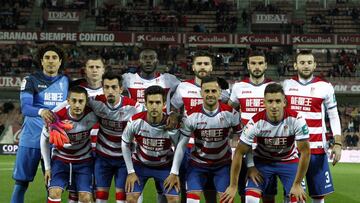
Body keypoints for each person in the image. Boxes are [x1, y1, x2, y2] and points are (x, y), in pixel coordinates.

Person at [221, 83, 311, 203]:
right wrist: (235, 183)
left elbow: (305, 152)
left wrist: (298, 183)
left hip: (288, 161)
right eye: (270, 101)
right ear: (264, 103)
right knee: (250, 198)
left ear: (284, 102)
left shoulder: (296, 120)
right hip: (263, 161)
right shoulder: (255, 122)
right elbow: (238, 153)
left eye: (278, 101)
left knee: (299, 200)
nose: (274, 106)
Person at [11, 44, 69, 203]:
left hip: (54, 143)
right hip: (30, 141)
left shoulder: (66, 81)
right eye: (47, 58)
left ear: (60, 61)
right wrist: (41, 111)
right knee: (21, 183)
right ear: (41, 61)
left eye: (54, 58)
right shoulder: (30, 80)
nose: (51, 61)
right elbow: (26, 107)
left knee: (52, 186)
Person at [122, 48, 181, 202]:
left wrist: (174, 113)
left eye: (151, 58)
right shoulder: (127, 79)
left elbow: (184, 96)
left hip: (163, 133)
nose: (148, 61)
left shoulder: (169, 80)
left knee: (164, 194)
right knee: (133, 195)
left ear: (157, 61)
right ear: (139, 61)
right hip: (138, 134)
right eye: (144, 58)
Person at [283, 50, 342, 203]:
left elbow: (334, 115)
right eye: (302, 62)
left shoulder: (325, 87)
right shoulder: (287, 85)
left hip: (317, 148)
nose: (306, 65)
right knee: (294, 196)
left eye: (309, 62)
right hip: (292, 150)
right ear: (296, 65)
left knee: (318, 196)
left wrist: (338, 143)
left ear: (315, 65)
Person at [171, 76, 241, 202]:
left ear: (220, 92)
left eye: (214, 91)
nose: (210, 94)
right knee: (191, 200)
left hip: (222, 165)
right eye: (206, 91)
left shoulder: (231, 114)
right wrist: (174, 172)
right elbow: (181, 145)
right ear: (201, 93)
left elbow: (243, 140)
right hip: (197, 165)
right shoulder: (191, 115)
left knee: (226, 200)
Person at [170, 51, 219, 203]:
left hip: (213, 146)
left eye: (206, 64)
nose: (202, 67)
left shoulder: (220, 89)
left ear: (211, 67)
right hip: (188, 146)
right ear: (193, 67)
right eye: (199, 64)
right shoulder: (183, 87)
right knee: (187, 187)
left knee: (211, 188)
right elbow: (173, 110)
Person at [89, 71, 144, 203]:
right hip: (103, 158)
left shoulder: (134, 107)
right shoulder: (95, 102)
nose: (110, 91)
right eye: (106, 87)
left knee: (122, 199)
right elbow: (70, 104)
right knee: (100, 198)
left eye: (114, 87)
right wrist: (51, 115)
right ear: (103, 88)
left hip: (124, 160)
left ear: (121, 89)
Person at [228, 50, 275, 203]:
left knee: (269, 194)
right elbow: (230, 111)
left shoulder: (273, 87)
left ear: (266, 65)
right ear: (248, 65)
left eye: (260, 63)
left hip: (267, 149)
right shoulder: (238, 87)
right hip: (245, 148)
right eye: (253, 63)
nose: (257, 66)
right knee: (245, 194)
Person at [40, 86, 97, 203]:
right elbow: (44, 138)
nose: (77, 105)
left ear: (86, 102)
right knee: (54, 193)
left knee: (86, 198)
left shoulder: (93, 115)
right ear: (68, 101)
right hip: (61, 160)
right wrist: (47, 167)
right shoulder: (56, 117)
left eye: (81, 101)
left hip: (84, 161)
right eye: (74, 100)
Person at [68, 56, 106, 203]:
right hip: (81, 148)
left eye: (98, 67)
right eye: (91, 67)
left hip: (103, 148)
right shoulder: (76, 89)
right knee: (77, 192)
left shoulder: (110, 89)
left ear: (104, 70)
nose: (94, 70)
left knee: (98, 191)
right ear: (85, 70)